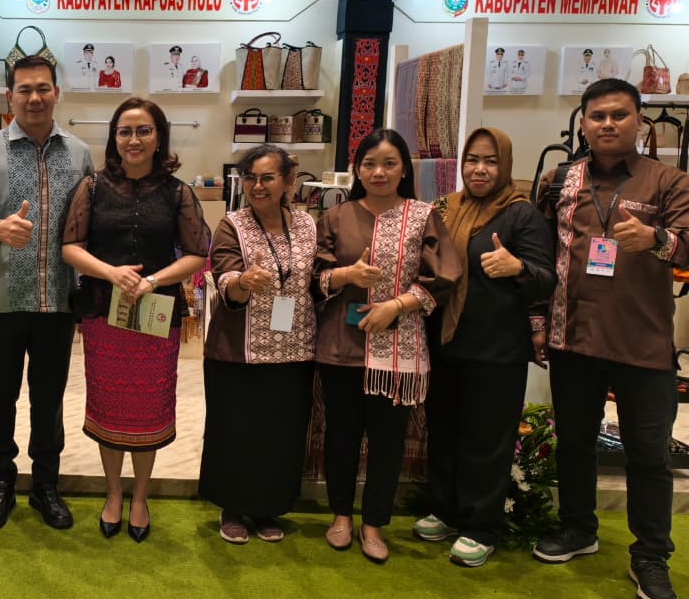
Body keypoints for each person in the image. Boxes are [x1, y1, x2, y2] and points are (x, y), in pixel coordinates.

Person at [534, 78, 689, 599]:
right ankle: (578, 529)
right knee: (575, 442)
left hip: (642, 343)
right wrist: (537, 321)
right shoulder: (561, 180)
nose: (607, 124)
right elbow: (541, 256)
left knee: (648, 454)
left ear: (640, 121)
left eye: (619, 115)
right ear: (582, 123)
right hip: (573, 337)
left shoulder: (668, 181)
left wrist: (656, 240)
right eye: (596, 115)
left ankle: (650, 556)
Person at [61, 98, 209, 541]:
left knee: (148, 411)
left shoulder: (178, 193)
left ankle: (140, 497)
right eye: (125, 131)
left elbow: (198, 253)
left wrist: (153, 280)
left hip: (156, 317)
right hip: (103, 313)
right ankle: (113, 493)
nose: (134, 140)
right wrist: (112, 273)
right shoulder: (92, 187)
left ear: (159, 137)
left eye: (144, 130)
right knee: (109, 407)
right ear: (114, 138)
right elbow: (70, 247)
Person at [312, 128, 460, 563]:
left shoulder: (423, 216)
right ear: (356, 170)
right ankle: (341, 516)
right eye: (370, 164)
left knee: (387, 441)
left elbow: (445, 275)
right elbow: (313, 277)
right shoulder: (336, 216)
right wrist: (346, 276)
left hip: (398, 348)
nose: (379, 172)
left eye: (389, 163)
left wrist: (396, 305)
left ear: (404, 170)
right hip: (341, 346)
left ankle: (373, 523)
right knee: (340, 436)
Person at [0, 55, 94, 532]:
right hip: (2, 301)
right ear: (10, 96)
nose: (34, 98)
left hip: (58, 300)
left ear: (56, 93)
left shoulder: (79, 153)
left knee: (49, 398)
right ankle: (0, 482)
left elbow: (88, 220)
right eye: (24, 89)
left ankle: (45, 485)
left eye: (43, 88)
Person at [417, 127, 556, 567]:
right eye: (472, 160)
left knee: (487, 440)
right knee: (444, 431)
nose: (479, 169)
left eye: (491, 161)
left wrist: (517, 267)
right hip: (446, 342)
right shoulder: (445, 208)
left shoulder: (520, 215)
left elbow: (546, 279)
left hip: (496, 349)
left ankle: (481, 526)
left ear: (505, 165)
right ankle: (445, 510)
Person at [198, 144, 317, 545]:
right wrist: (243, 283)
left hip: (295, 349)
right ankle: (232, 507)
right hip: (237, 351)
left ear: (287, 181)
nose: (257, 186)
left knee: (280, 432)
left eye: (267, 177)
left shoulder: (308, 225)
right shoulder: (231, 225)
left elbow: (318, 276)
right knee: (235, 431)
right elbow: (224, 275)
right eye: (250, 178)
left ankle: (268, 507)